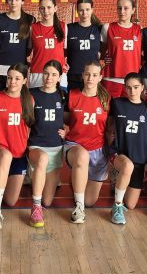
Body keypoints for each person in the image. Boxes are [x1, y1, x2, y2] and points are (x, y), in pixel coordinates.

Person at [0, 63, 34, 231]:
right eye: (9, 77)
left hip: (19, 155)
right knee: (5, 157)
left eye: (17, 78)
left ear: (25, 81)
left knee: (11, 201)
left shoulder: (29, 100)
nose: (12, 81)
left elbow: (28, 128)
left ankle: (0, 180)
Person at [64, 61, 110, 224]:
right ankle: (79, 207)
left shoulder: (107, 99)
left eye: (94, 75)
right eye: (87, 74)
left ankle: (78, 187)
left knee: (90, 200)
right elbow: (64, 119)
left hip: (98, 149)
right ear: (82, 75)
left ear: (100, 77)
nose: (90, 78)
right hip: (75, 146)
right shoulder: (72, 95)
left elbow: (110, 127)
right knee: (82, 156)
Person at [108, 72, 147, 225]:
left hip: (139, 158)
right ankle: (116, 206)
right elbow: (107, 125)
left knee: (131, 204)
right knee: (127, 166)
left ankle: (122, 183)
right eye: (128, 87)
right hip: (120, 153)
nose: (132, 91)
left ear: (142, 88)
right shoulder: (117, 104)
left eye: (135, 87)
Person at [28, 60, 67, 227]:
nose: (49, 78)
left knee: (48, 201)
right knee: (42, 159)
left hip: (56, 148)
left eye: (53, 74)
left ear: (59, 77)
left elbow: (70, 120)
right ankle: (35, 207)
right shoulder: (32, 94)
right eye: (46, 73)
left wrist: (68, 130)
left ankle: (37, 181)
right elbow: (25, 121)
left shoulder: (63, 95)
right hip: (37, 146)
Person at [0, 0, 34, 92]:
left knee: (17, 101)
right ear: (6, 1)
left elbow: (31, 45)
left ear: (22, 1)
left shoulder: (30, 20)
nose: (13, 2)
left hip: (20, 71)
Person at [101, 0, 142, 98]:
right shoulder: (107, 27)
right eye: (119, 8)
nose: (122, 11)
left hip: (132, 80)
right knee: (109, 107)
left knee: (129, 107)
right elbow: (100, 51)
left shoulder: (140, 30)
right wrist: (103, 59)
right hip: (111, 77)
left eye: (126, 8)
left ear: (133, 10)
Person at [29, 0, 67, 89]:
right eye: (42, 8)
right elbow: (27, 51)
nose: (46, 11)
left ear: (55, 8)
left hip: (58, 73)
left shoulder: (63, 26)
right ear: (39, 10)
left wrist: (66, 64)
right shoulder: (33, 28)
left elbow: (66, 50)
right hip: (38, 73)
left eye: (49, 7)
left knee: (59, 98)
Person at [65, 0, 101, 91]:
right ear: (77, 11)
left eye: (87, 9)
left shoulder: (99, 29)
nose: (84, 13)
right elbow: (62, 50)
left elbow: (106, 49)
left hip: (92, 77)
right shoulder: (69, 28)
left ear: (92, 10)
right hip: (74, 76)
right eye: (81, 10)